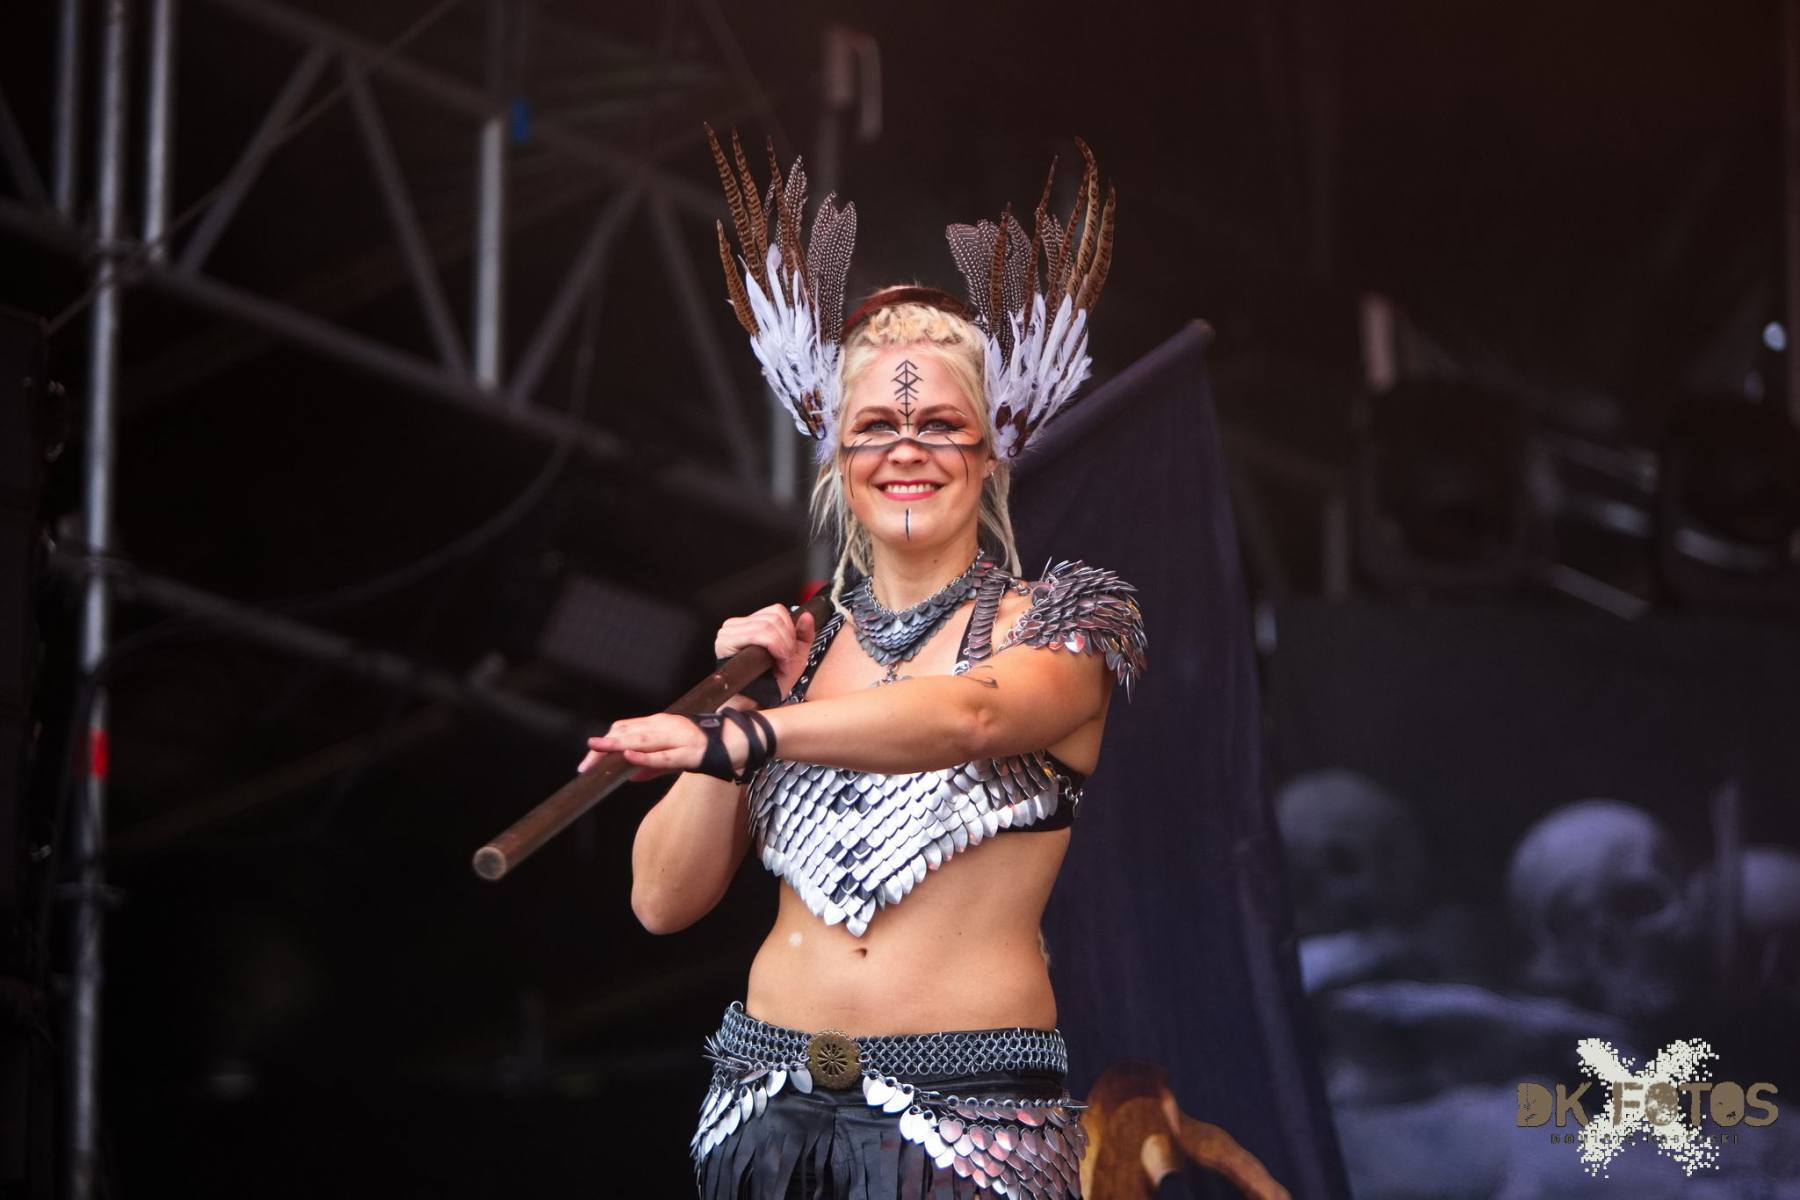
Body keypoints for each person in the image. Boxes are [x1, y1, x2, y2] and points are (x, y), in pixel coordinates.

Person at [579, 136, 1140, 1200]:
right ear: (837, 452)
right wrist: (741, 704)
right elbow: (661, 901)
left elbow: (968, 720)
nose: (906, 449)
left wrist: (744, 733)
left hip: (967, 1122)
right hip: (760, 1108)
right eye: (876, 424)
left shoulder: (1064, 622)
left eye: (941, 424)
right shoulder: (790, 663)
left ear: (991, 448)